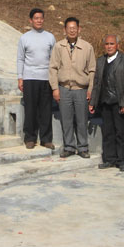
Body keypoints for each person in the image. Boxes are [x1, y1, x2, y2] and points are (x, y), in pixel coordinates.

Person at [49, 17, 96, 158]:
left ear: (79, 29)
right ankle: (69, 147)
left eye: (74, 28)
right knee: (66, 120)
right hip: (64, 89)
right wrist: (55, 88)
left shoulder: (87, 47)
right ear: (64, 30)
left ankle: (83, 148)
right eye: (69, 28)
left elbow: (92, 70)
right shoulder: (59, 46)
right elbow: (53, 68)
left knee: (82, 120)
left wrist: (90, 90)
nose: (72, 30)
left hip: (81, 89)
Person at [89, 35, 124, 171]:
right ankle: (109, 159)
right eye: (107, 44)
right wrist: (93, 102)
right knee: (108, 132)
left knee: (121, 132)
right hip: (105, 102)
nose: (109, 46)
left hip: (119, 103)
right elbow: (97, 83)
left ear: (117, 45)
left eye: (112, 44)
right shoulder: (100, 61)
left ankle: (122, 160)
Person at [17, 8, 56, 150]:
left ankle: (46, 139)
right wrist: (20, 77)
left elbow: (54, 59)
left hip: (46, 79)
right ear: (31, 20)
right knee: (30, 109)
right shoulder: (24, 38)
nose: (39, 20)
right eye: (36, 18)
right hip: (29, 78)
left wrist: (54, 78)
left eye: (41, 18)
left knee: (46, 110)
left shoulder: (50, 37)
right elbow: (20, 59)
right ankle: (30, 138)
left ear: (43, 19)